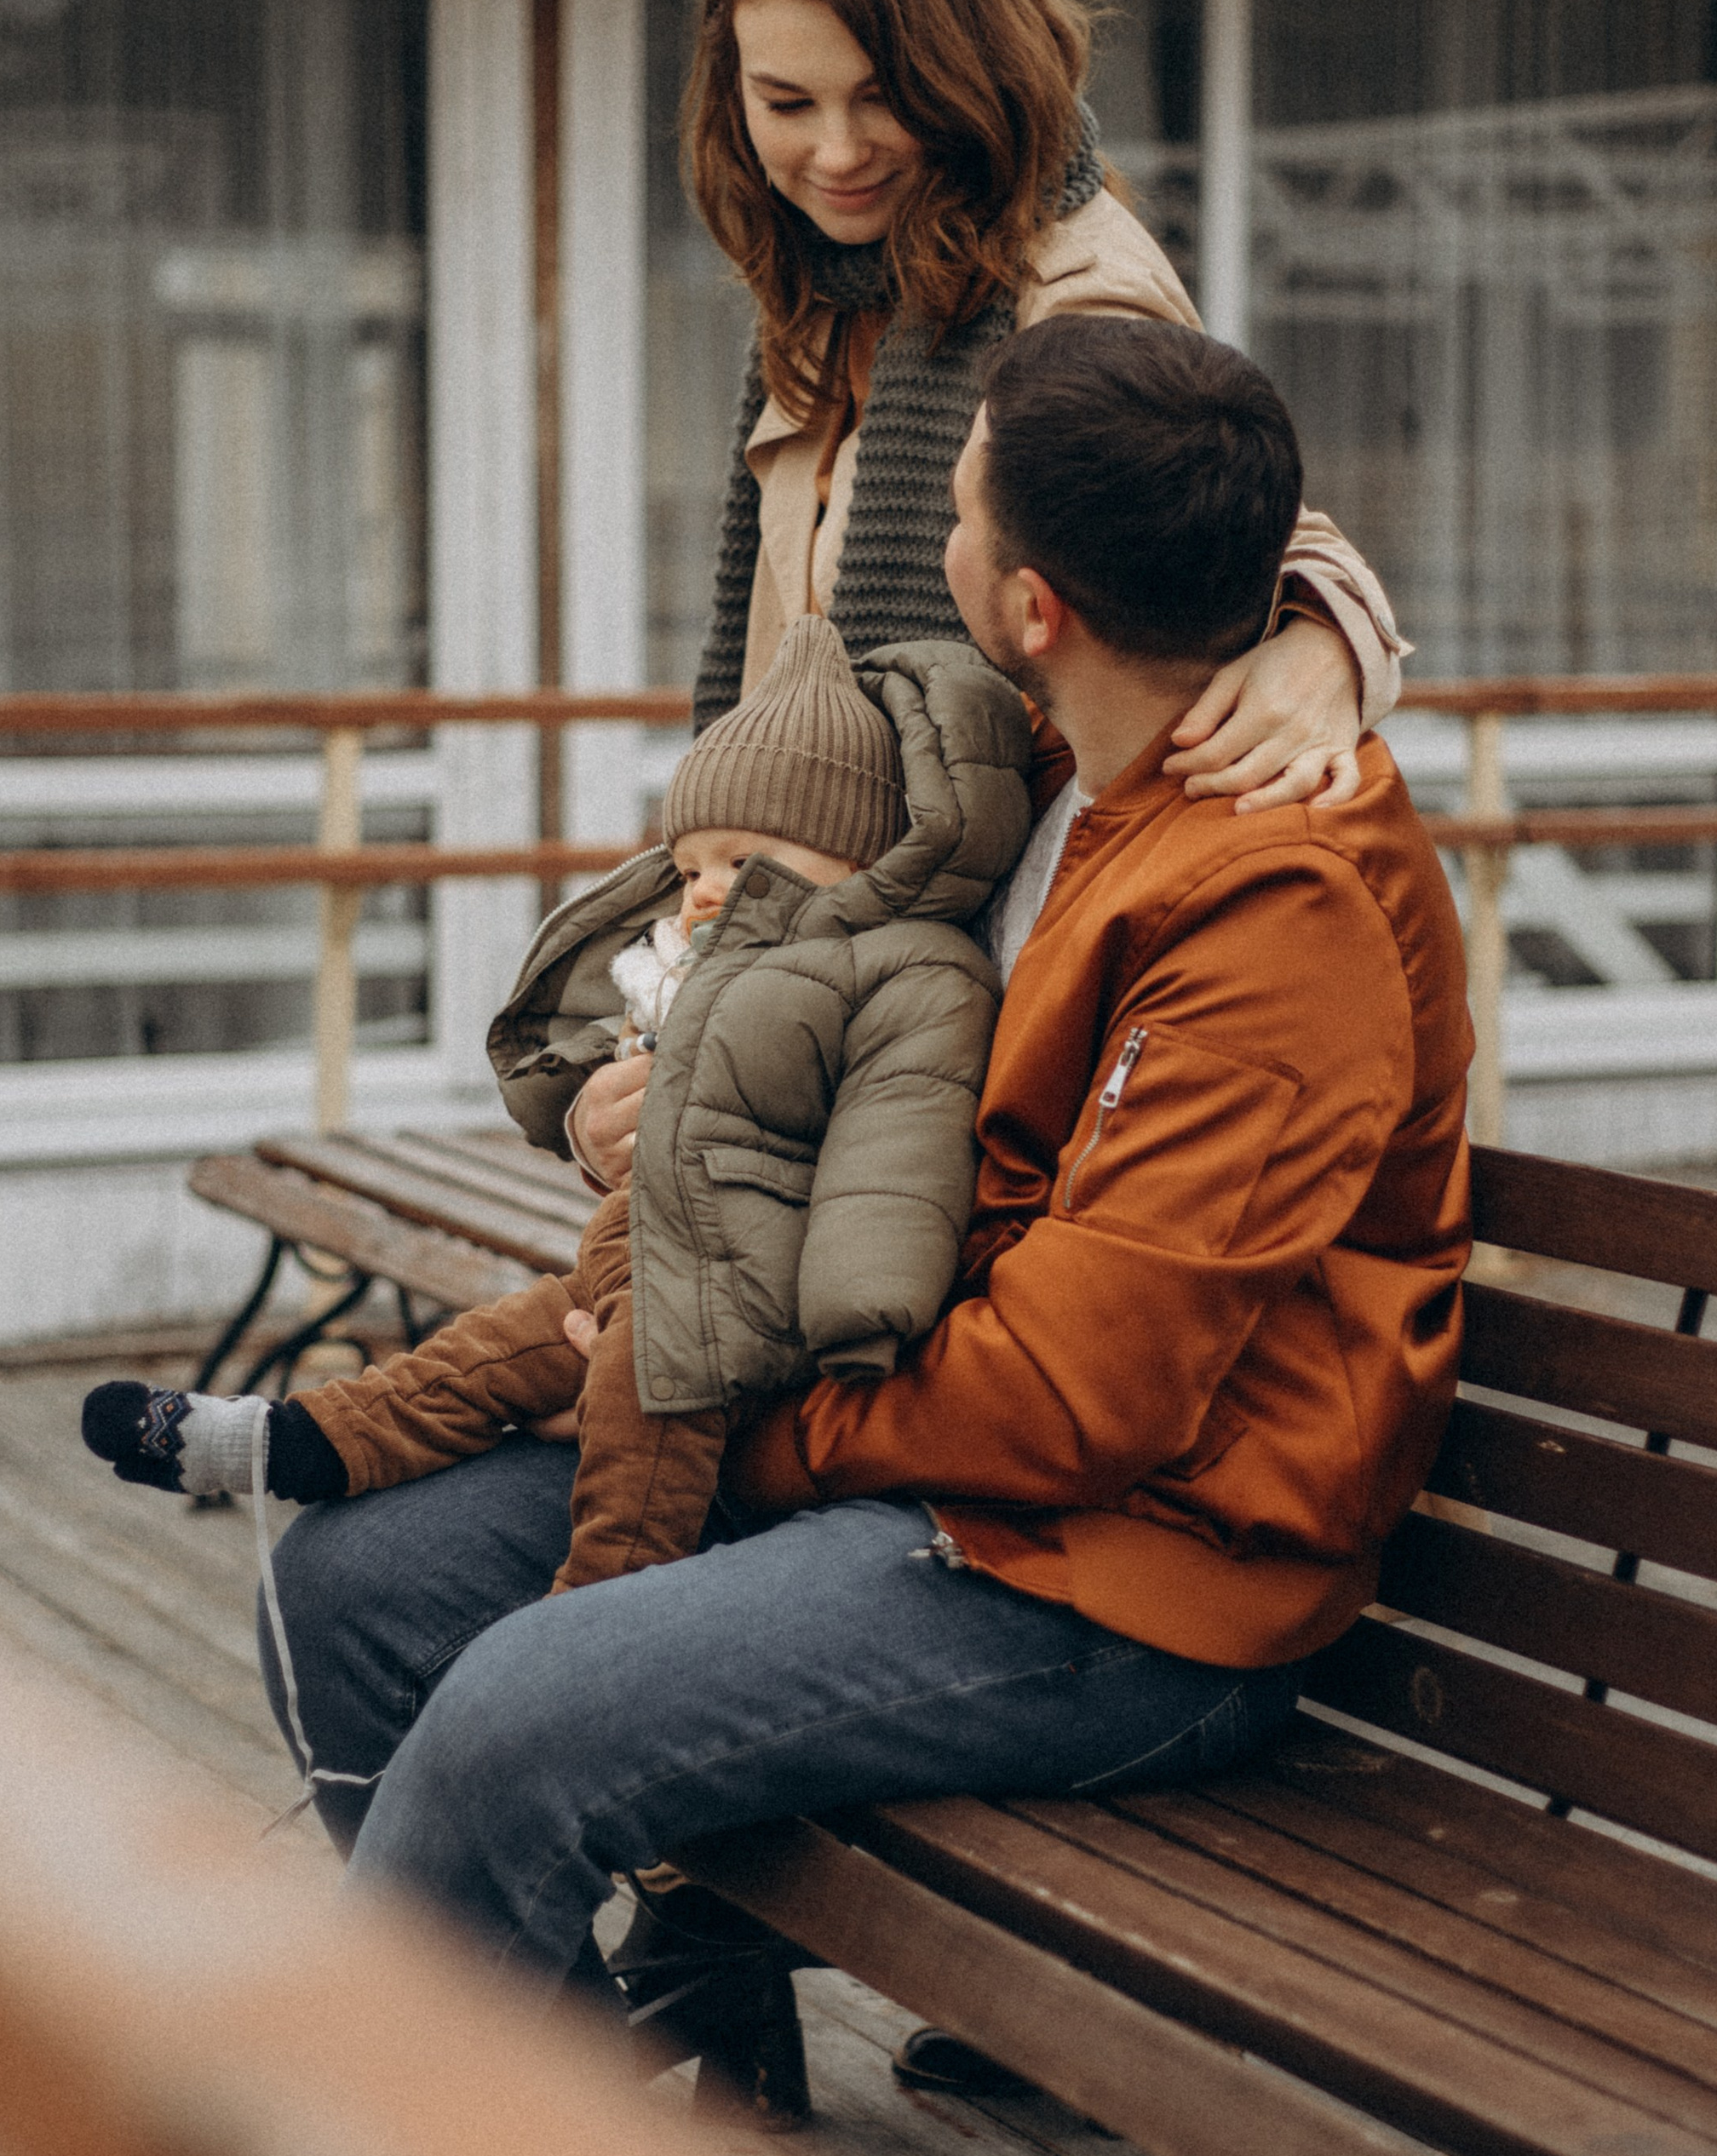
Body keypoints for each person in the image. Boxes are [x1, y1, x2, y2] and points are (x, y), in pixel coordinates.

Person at [261, 314, 1470, 2044]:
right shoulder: (1044, 763)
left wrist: (711, 1417)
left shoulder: (1275, 907)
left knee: (518, 1712)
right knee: (354, 1583)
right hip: (915, 1441)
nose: (936, 543)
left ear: (1033, 601)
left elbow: (1072, 1399)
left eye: (963, 516)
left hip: (1127, 1585)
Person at [566, 0, 1409, 1213]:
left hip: (965, 1038)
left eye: (883, 98)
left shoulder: (1073, 290)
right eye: (787, 101)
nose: (835, 150)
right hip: (833, 988)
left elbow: (1215, 510)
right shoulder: (833, 289)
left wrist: (1323, 631)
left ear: (965, 72)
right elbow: (781, 738)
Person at [81, 616, 1031, 1597]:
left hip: (748, 1292)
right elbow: (607, 1057)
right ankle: (285, 1442)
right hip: (638, 1263)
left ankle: (588, 1616)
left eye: (743, 863)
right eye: (692, 865)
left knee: (640, 1435)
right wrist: (581, 1103)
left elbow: (898, 1145)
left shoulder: (911, 969)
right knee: (478, 1355)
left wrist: (860, 1310)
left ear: (855, 848)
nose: (707, 891)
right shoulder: (707, 967)